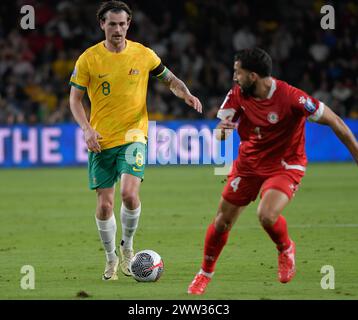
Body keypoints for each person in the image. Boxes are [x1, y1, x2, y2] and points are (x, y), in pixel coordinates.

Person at [187, 48, 358, 295]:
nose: (234, 77)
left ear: (253, 76)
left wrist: (355, 152)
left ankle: (285, 248)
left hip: (285, 165)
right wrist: (222, 131)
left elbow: (335, 121)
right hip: (248, 165)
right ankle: (204, 273)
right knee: (222, 222)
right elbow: (220, 131)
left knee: (266, 214)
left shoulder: (291, 98)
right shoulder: (237, 94)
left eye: (238, 72)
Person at [69, 1, 202, 281]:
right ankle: (110, 259)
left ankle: (128, 247)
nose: (118, 29)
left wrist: (186, 93)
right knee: (105, 205)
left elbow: (170, 79)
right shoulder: (88, 59)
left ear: (129, 24)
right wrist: (86, 129)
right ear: (102, 25)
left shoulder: (143, 54)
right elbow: (75, 99)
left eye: (122, 23)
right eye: (112, 24)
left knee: (129, 194)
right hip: (101, 139)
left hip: (134, 135)